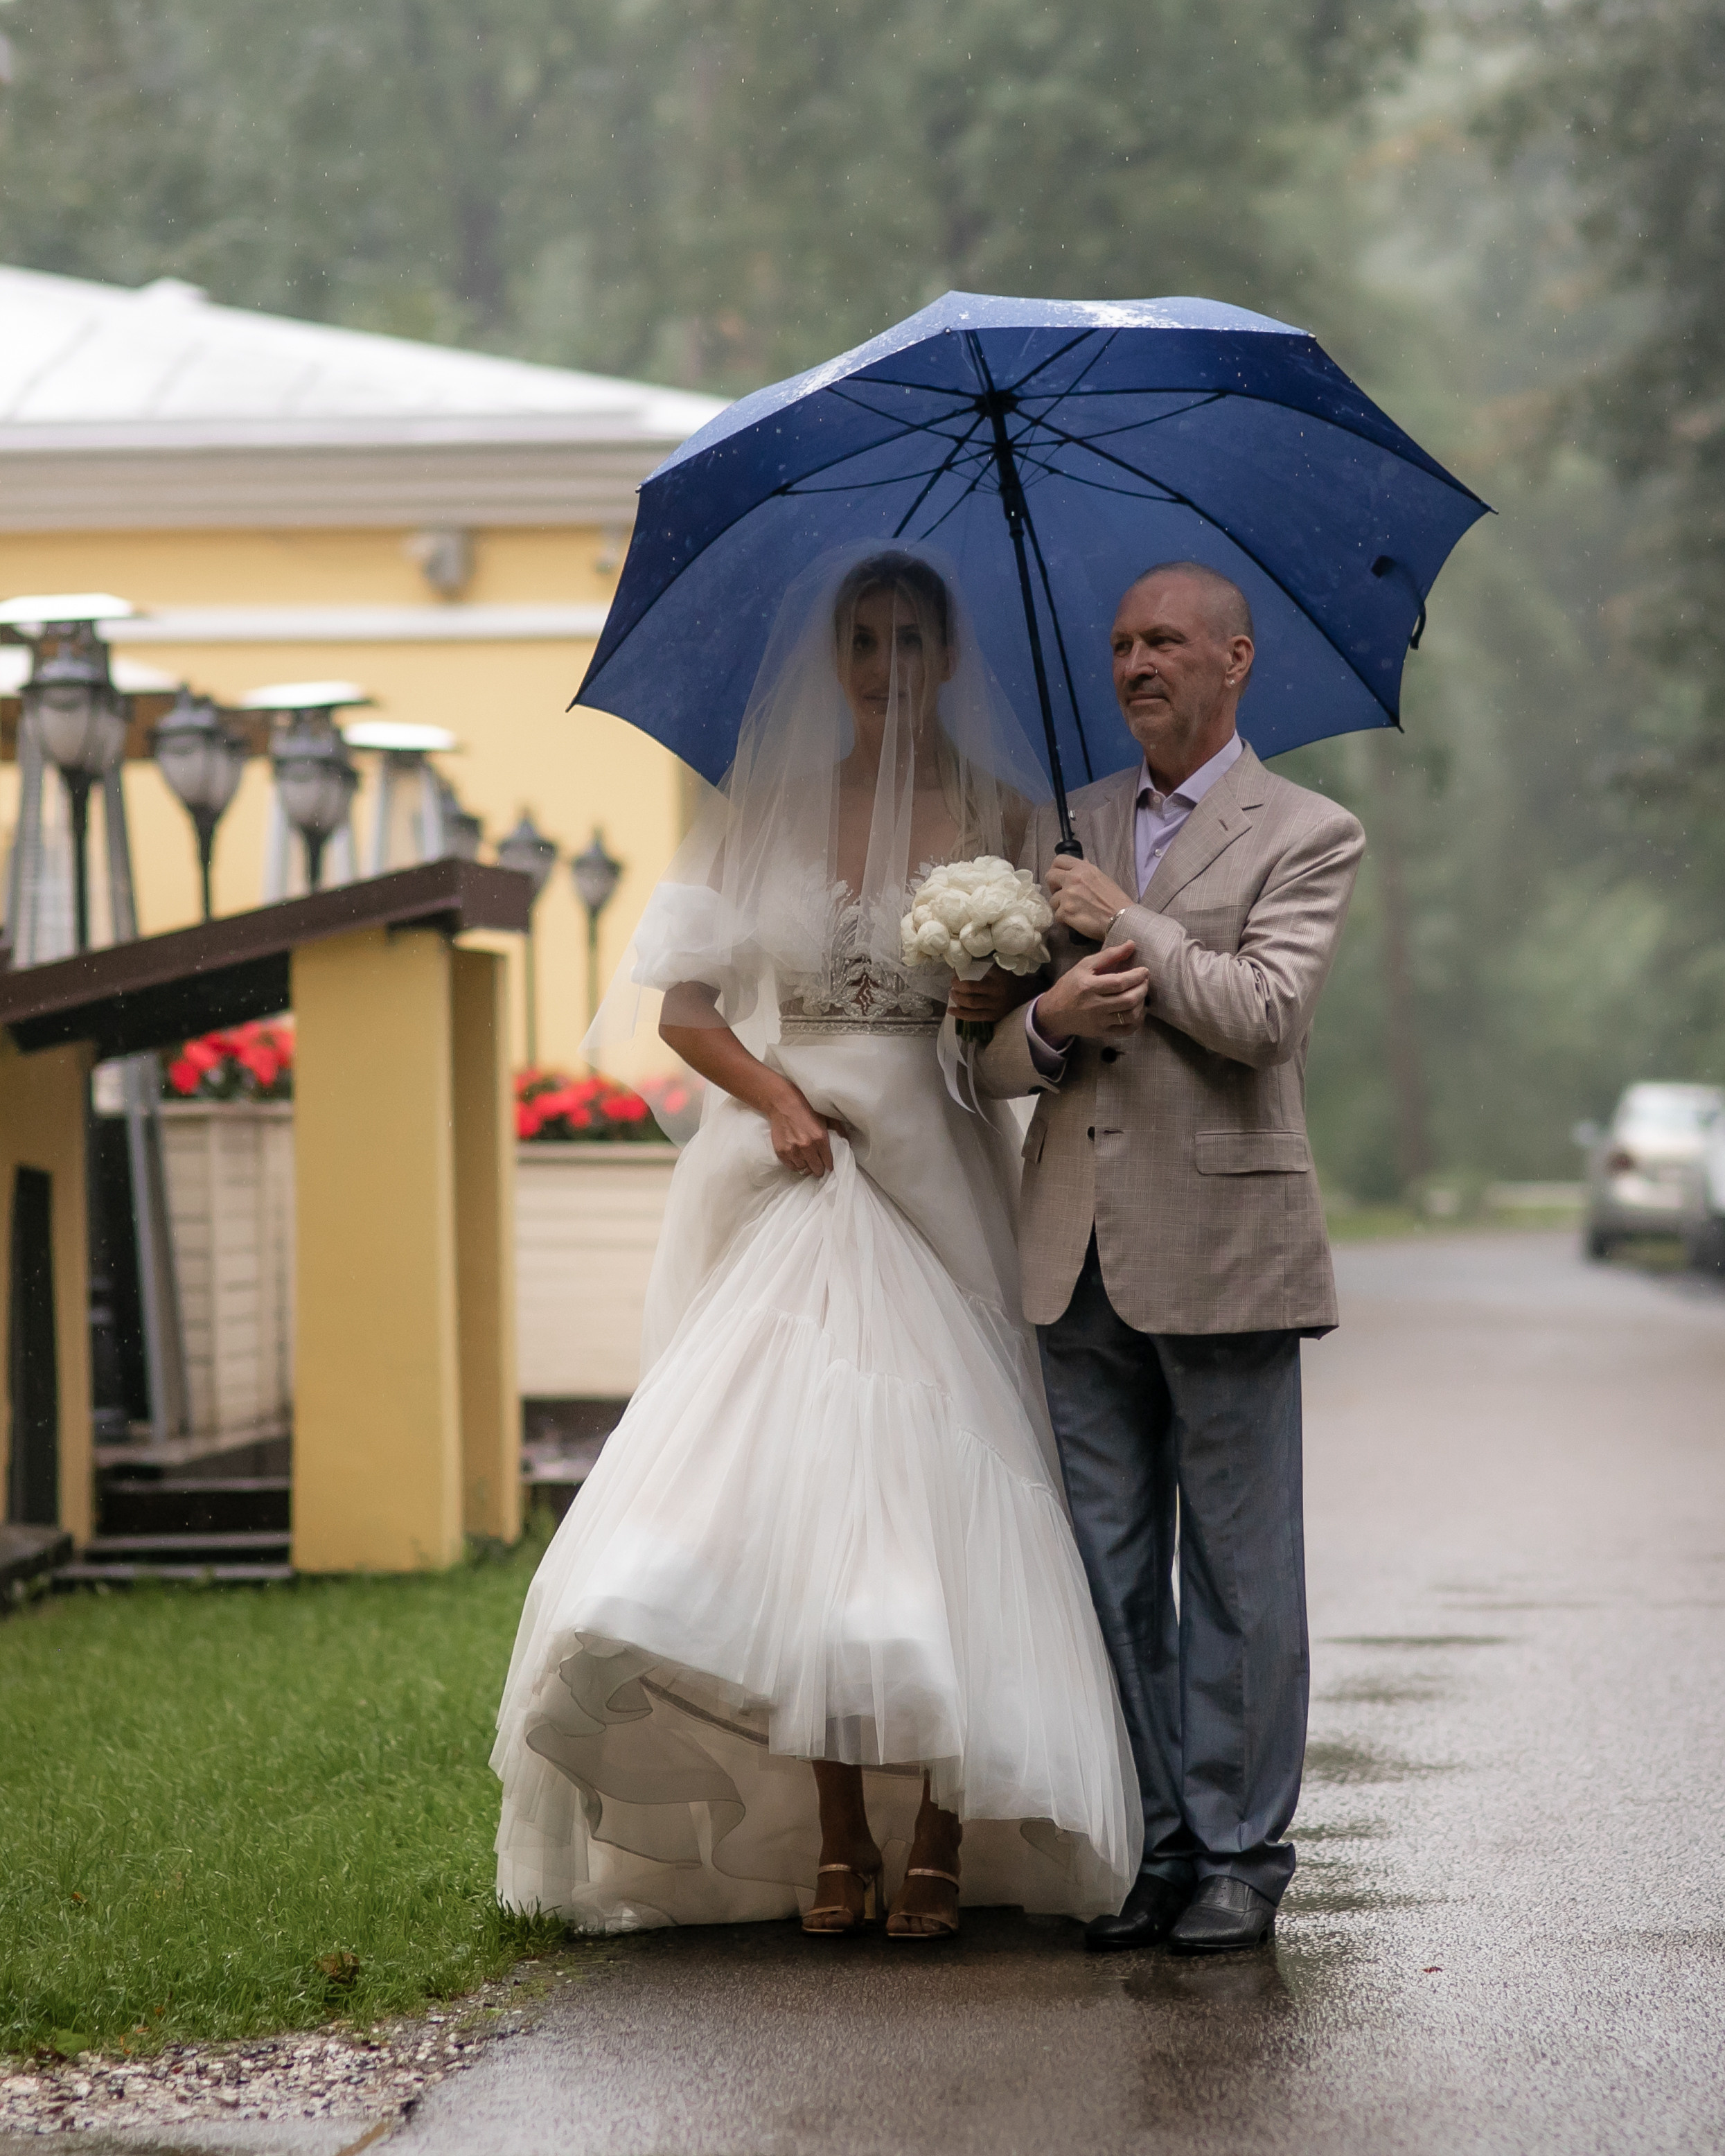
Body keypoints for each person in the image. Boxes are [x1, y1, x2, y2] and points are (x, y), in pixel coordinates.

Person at [493, 545, 1140, 1941]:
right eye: (864, 641)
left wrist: (988, 989)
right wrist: (779, 1096)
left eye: (912, 642)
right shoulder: (768, 805)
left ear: (948, 658)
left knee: (952, 1480)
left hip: (938, 1161)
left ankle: (946, 1831)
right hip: (794, 1167)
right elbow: (681, 1012)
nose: (887, 667)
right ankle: (838, 1835)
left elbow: (1034, 1014)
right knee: (802, 1492)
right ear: (834, 658)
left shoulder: (998, 809)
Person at [964, 561, 1366, 1955]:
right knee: (1108, 1560)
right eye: (1123, 644)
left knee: (1244, 1571)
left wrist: (1125, 920)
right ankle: (1158, 1837)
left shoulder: (1310, 830)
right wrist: (1056, 1016)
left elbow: (1264, 1015)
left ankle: (1247, 1848)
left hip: (1228, 1242)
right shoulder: (1057, 825)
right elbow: (990, 1059)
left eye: (1167, 642)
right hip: (1070, 1246)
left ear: (1236, 659)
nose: (1138, 664)